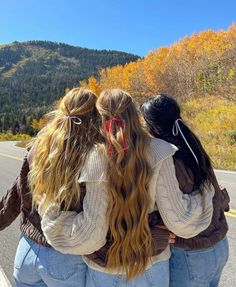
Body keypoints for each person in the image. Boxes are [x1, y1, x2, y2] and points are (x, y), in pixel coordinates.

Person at [39, 89, 215, 287]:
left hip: (106, 270)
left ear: (100, 118)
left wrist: (50, 211)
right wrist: (206, 191)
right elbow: (181, 221)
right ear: (134, 114)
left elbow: (90, 236)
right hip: (153, 267)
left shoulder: (94, 157)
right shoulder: (159, 149)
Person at [0, 88, 103, 287]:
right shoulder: (96, 155)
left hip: (27, 250)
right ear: (94, 115)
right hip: (66, 257)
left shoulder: (39, 146)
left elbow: (16, 195)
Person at [140, 94, 229, 287]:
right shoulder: (193, 144)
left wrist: (152, 224)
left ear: (152, 126)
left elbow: (176, 210)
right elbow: (211, 191)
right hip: (219, 245)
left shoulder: (166, 156)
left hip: (192, 254)